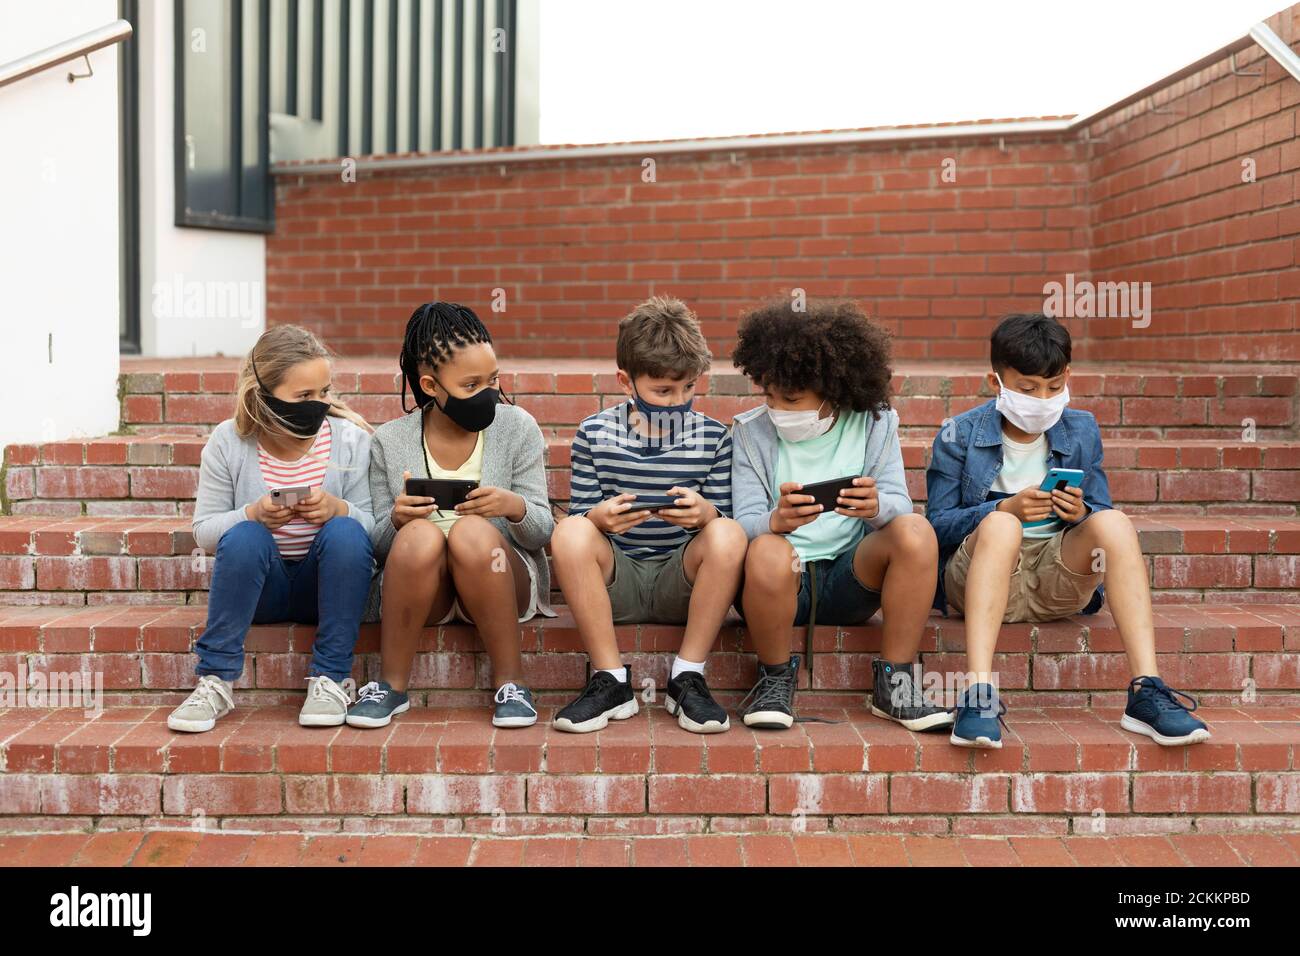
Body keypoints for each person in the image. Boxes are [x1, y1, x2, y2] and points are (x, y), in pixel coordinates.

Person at [926, 312, 1210, 748]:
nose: (1042, 399)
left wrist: (1079, 512)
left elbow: (1100, 512)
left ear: (1068, 378)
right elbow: (936, 528)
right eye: (1027, 388)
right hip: (979, 578)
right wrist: (1002, 508)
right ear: (996, 381)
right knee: (1002, 525)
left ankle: (1147, 691)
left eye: (1054, 387)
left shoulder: (1081, 429)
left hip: (1055, 578)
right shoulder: (959, 434)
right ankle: (978, 695)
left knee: (1113, 522)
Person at [730, 299, 953, 732]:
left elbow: (899, 505)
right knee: (767, 549)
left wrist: (876, 508)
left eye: (791, 398)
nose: (778, 409)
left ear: (832, 390)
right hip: (778, 586)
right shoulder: (749, 431)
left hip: (850, 579)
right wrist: (773, 521)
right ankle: (775, 679)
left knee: (914, 530)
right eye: (768, 395)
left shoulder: (874, 421)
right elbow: (741, 524)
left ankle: (895, 683)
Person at [346, 302, 555, 730]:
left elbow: (540, 532)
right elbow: (378, 547)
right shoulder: (389, 441)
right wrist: (397, 519)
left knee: (472, 534)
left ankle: (512, 682)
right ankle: (391, 685)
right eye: (471, 384)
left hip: (500, 575)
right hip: (426, 586)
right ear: (430, 385)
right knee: (421, 536)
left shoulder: (517, 427)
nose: (488, 393)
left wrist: (512, 507)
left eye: (493, 379)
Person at [550, 296, 745, 734]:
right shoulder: (594, 433)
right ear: (626, 382)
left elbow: (728, 524)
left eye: (689, 388)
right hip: (617, 582)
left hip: (684, 583)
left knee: (729, 533)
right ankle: (611, 681)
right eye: (663, 391)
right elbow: (581, 517)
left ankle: (687, 676)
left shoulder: (714, 437)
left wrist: (706, 514)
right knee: (570, 532)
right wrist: (599, 519)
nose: (678, 401)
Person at [169, 325, 375, 733]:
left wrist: (339, 508)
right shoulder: (229, 442)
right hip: (262, 590)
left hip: (328, 589)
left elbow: (377, 530)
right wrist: (252, 513)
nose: (317, 405)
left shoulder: (351, 440)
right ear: (263, 394)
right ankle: (216, 681)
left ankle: (331, 679)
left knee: (347, 531)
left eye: (324, 393)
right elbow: (204, 531)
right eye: (303, 396)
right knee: (246, 536)